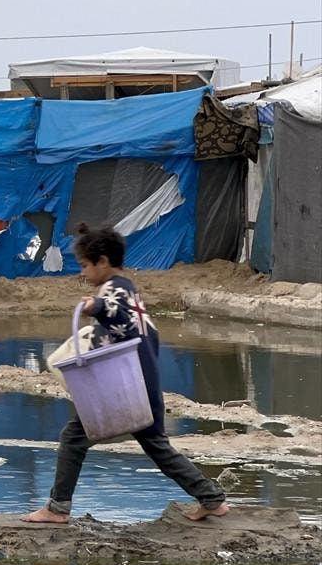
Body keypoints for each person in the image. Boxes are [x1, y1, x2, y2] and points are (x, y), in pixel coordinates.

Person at [23, 223, 228, 524]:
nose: (82, 273)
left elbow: (116, 313)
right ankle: (211, 498)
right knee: (157, 446)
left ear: (103, 262)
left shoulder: (114, 291)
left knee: (73, 437)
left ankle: (57, 508)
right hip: (144, 384)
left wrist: (97, 306)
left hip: (122, 387)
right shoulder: (130, 290)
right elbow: (139, 333)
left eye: (85, 265)